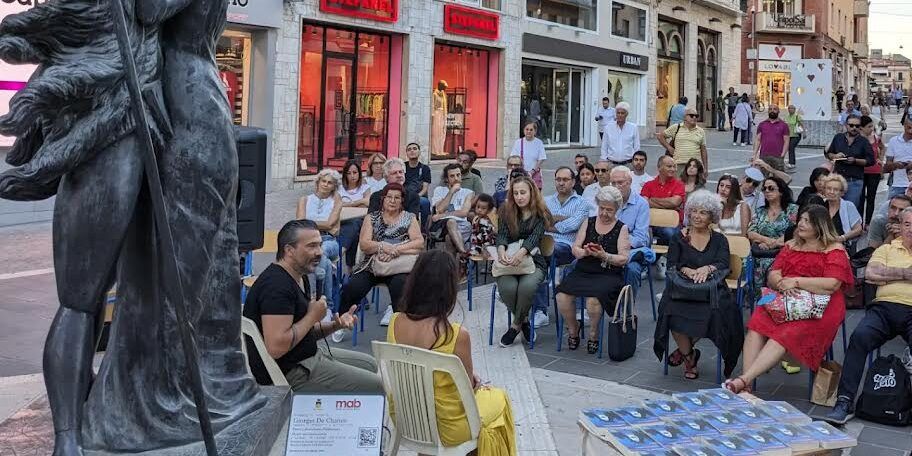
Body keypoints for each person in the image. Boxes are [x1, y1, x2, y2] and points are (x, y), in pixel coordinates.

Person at [386, 250, 518, 451]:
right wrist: (475, 380)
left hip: (407, 420)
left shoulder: (394, 322)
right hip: (448, 429)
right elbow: (468, 387)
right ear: (448, 289)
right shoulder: (455, 334)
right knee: (499, 398)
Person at [724, 205, 853, 394]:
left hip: (822, 306)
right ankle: (747, 385)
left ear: (820, 226)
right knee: (756, 323)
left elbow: (832, 284)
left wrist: (797, 282)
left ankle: (744, 380)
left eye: (807, 221)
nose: (800, 224)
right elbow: (773, 273)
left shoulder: (834, 249)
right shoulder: (791, 245)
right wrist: (781, 283)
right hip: (785, 297)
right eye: (801, 219)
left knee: (784, 333)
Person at [243, 219, 381, 393]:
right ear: (289, 250)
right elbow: (277, 347)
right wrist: (312, 316)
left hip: (309, 355)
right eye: (311, 246)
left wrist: (335, 325)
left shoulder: (300, 276)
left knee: (370, 364)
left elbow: (302, 332)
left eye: (320, 245)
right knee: (376, 385)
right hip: (291, 372)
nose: (319, 252)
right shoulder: (276, 287)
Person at [826, 207, 912, 424]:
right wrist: (905, 274)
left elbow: (881, 275)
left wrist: (888, 275)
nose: (911, 229)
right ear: (900, 227)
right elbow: (871, 275)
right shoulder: (886, 249)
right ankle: (844, 401)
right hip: (883, 308)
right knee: (859, 338)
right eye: (907, 224)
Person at [653, 190, 742, 379]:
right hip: (682, 291)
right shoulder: (679, 236)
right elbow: (672, 264)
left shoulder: (719, 239)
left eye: (703, 212)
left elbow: (723, 264)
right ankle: (689, 357)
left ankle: (686, 353)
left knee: (715, 315)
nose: (697, 216)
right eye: (694, 211)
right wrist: (687, 270)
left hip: (711, 292)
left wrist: (707, 268)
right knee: (671, 314)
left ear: (712, 217)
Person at [555, 186, 630, 353]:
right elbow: (575, 249)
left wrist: (604, 255)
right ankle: (573, 329)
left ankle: (594, 333)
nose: (604, 213)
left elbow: (624, 258)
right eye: (602, 208)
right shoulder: (588, 222)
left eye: (609, 210)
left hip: (608, 273)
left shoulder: (621, 228)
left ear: (617, 209)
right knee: (561, 295)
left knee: (593, 300)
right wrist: (585, 252)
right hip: (584, 270)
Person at [343, 183, 425, 327]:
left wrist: (395, 250)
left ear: (402, 201)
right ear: (383, 199)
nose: (392, 201)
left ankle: (400, 326)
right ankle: (342, 321)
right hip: (373, 264)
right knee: (353, 286)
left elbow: (419, 242)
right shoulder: (372, 218)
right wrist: (382, 246)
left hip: (399, 265)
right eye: (389, 197)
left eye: (397, 198)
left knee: (400, 286)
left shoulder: (409, 218)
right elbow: (364, 244)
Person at [496, 176, 551, 347]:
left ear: (531, 193)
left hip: (534, 261)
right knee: (508, 288)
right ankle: (525, 322)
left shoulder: (541, 213)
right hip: (509, 261)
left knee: (526, 287)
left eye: (523, 193)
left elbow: (535, 237)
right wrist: (501, 249)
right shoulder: (506, 210)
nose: (519, 197)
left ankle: (514, 326)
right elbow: (502, 234)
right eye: (516, 193)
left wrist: (522, 252)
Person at [532, 167, 589, 327]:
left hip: (569, 247)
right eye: (558, 179)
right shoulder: (546, 201)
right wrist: (559, 220)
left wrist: (551, 222)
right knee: (537, 261)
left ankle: (542, 308)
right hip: (545, 245)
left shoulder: (582, 203)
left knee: (542, 253)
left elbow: (573, 225)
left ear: (573, 182)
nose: (561, 183)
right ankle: (540, 312)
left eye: (565, 180)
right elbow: (538, 223)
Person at [296, 169, 343, 312]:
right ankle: (327, 306)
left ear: (334, 186)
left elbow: (330, 224)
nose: (326, 185)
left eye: (330, 183)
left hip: (329, 240)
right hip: (308, 240)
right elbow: (299, 222)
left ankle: (315, 298)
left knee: (321, 252)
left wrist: (310, 222)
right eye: (323, 181)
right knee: (324, 261)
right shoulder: (304, 199)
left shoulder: (337, 201)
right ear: (318, 182)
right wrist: (325, 224)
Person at [747, 176, 798, 291]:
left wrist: (772, 245)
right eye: (764, 189)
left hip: (783, 253)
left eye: (771, 188)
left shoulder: (792, 210)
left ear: (781, 191)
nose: (767, 191)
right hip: (761, 252)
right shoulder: (760, 211)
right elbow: (751, 232)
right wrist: (766, 241)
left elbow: (795, 232)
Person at [610, 166, 651, 298]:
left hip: (630, 251)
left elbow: (640, 238)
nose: (616, 186)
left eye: (620, 182)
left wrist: (619, 243)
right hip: (607, 250)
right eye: (613, 183)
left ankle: (626, 313)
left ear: (630, 182)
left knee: (632, 270)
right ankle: (583, 311)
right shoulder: (607, 202)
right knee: (577, 264)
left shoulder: (641, 204)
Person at [430, 164, 475, 275]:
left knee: (449, 238)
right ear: (446, 179)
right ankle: (464, 254)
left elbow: (464, 212)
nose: (456, 178)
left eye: (458, 175)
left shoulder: (468, 193)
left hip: (462, 226)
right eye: (452, 176)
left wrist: (441, 215)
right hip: (442, 226)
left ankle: (451, 272)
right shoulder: (439, 190)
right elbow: (439, 209)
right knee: (451, 221)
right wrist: (451, 192)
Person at [825, 115, 875, 208]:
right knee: (834, 206)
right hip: (838, 179)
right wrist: (835, 156)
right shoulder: (838, 137)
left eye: (857, 126)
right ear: (846, 125)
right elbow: (829, 154)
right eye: (851, 125)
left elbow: (871, 161)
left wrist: (855, 161)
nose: (854, 128)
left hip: (854, 180)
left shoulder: (863, 141)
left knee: (849, 208)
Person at [641, 155, 686, 243]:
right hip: (651, 224)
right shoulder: (648, 185)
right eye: (669, 166)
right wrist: (667, 204)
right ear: (659, 167)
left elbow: (674, 202)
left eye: (674, 166)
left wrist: (652, 200)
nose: (673, 169)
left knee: (671, 234)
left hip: (672, 224)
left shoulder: (679, 185)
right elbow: (644, 204)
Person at [338, 160, 372, 267]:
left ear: (359, 173)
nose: (352, 176)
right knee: (354, 234)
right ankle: (350, 268)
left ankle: (340, 252)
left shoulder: (365, 187)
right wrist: (359, 202)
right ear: (345, 175)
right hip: (343, 220)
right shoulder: (340, 188)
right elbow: (338, 205)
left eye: (355, 172)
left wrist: (348, 203)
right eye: (349, 173)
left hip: (360, 221)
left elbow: (367, 202)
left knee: (354, 224)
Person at [657, 107, 708, 177]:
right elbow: (660, 136)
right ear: (685, 117)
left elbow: (703, 150)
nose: (694, 117)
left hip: (695, 165)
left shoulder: (701, 131)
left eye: (696, 116)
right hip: (679, 164)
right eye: (691, 115)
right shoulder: (676, 127)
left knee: (694, 187)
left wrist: (705, 168)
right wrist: (669, 147)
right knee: (678, 186)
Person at [822, 174, 863, 246]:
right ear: (824, 190)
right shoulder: (820, 204)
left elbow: (858, 229)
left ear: (842, 193)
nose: (831, 192)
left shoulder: (848, 206)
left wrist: (843, 237)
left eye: (836, 190)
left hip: (841, 244)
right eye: (828, 188)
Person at [860, 115, 885, 225]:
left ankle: (868, 223)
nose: (871, 129)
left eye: (872, 126)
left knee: (871, 197)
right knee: (860, 199)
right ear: (862, 128)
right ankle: (859, 222)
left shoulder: (876, 137)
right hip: (861, 172)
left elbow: (883, 147)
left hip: (874, 172)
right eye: (869, 127)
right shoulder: (858, 140)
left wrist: (880, 159)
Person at [600, 102, 641, 166]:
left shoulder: (633, 127)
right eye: (618, 113)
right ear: (615, 114)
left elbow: (637, 147)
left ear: (626, 114)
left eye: (622, 113)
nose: (620, 115)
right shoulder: (608, 127)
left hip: (628, 164)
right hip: (612, 164)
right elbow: (604, 147)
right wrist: (603, 161)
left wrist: (636, 162)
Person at [753, 104, 790, 172]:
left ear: (778, 111)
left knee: (779, 178)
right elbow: (758, 140)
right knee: (764, 177)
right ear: (768, 111)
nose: (772, 111)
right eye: (770, 109)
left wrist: (782, 155)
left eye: (775, 109)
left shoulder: (784, 125)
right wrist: (754, 154)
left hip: (778, 156)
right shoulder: (762, 124)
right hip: (764, 156)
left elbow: (786, 141)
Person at [403, 142, 432, 227]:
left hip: (419, 196)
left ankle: (423, 230)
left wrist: (416, 197)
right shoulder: (402, 167)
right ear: (407, 153)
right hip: (404, 195)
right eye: (409, 149)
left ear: (419, 152)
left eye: (415, 149)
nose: (412, 151)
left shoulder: (425, 168)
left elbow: (425, 188)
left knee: (425, 202)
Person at [511, 122, 547, 188]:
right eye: (527, 129)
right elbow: (513, 158)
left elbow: (541, 159)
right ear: (524, 130)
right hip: (520, 175)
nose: (529, 131)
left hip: (534, 175)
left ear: (535, 131)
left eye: (531, 130)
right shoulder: (518, 142)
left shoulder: (539, 143)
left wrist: (532, 171)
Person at [884, 115, 912, 198]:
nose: (911, 131)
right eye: (909, 127)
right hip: (897, 184)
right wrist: (895, 165)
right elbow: (887, 165)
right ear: (904, 126)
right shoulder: (894, 141)